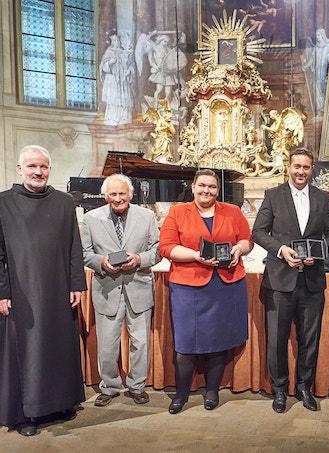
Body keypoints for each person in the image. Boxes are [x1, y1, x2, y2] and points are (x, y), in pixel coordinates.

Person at [0, 145, 86, 436]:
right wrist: (2, 291)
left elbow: (76, 246)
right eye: (33, 166)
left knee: (58, 346)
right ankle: (26, 414)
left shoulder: (63, 202)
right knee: (28, 352)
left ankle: (60, 403)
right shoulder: (3, 203)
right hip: (22, 293)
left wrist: (76, 284)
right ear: (19, 169)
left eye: (44, 167)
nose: (39, 172)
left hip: (59, 289)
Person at [252, 148, 329, 413]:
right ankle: (280, 390)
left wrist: (319, 252)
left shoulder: (323, 198)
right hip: (280, 280)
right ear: (288, 167)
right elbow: (258, 231)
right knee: (277, 340)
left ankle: (305, 387)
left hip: (312, 281)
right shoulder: (273, 195)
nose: (301, 171)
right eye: (297, 166)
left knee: (309, 339)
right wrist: (281, 250)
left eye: (306, 167)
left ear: (312, 169)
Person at [159, 169, 253, 414]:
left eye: (212, 187)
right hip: (188, 286)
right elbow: (167, 247)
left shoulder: (232, 211)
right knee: (186, 342)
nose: (206, 190)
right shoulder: (177, 212)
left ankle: (212, 390)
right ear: (193, 187)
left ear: (218, 190)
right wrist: (195, 256)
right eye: (202, 185)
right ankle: (181, 394)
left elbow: (247, 240)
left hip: (226, 284)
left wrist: (238, 251)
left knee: (219, 340)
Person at [80, 174, 161, 407]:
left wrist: (139, 259)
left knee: (141, 342)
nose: (118, 198)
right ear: (105, 196)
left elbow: (157, 250)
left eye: (122, 194)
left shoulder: (147, 216)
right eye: (113, 194)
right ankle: (110, 386)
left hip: (139, 287)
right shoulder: (90, 219)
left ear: (131, 195)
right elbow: (84, 253)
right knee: (107, 343)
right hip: (107, 288)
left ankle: (137, 386)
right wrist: (101, 262)